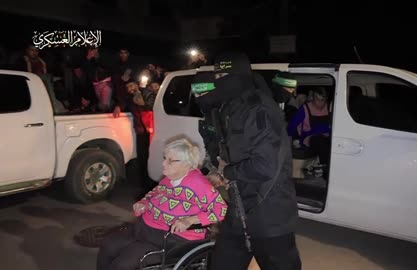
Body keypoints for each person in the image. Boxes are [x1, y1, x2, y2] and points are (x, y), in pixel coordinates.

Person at [195, 51, 301, 270]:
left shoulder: (257, 108)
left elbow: (265, 165)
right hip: (239, 209)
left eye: (221, 77)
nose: (217, 84)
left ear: (235, 78)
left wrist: (229, 172)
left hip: (269, 215)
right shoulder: (231, 107)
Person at [96, 138, 227, 270]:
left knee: (123, 263)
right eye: (165, 158)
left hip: (170, 240)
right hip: (145, 229)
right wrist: (145, 202)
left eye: (171, 161)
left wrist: (189, 220)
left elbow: (222, 210)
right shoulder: (169, 179)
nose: (164, 163)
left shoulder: (198, 184)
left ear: (187, 165)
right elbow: (154, 192)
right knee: (108, 245)